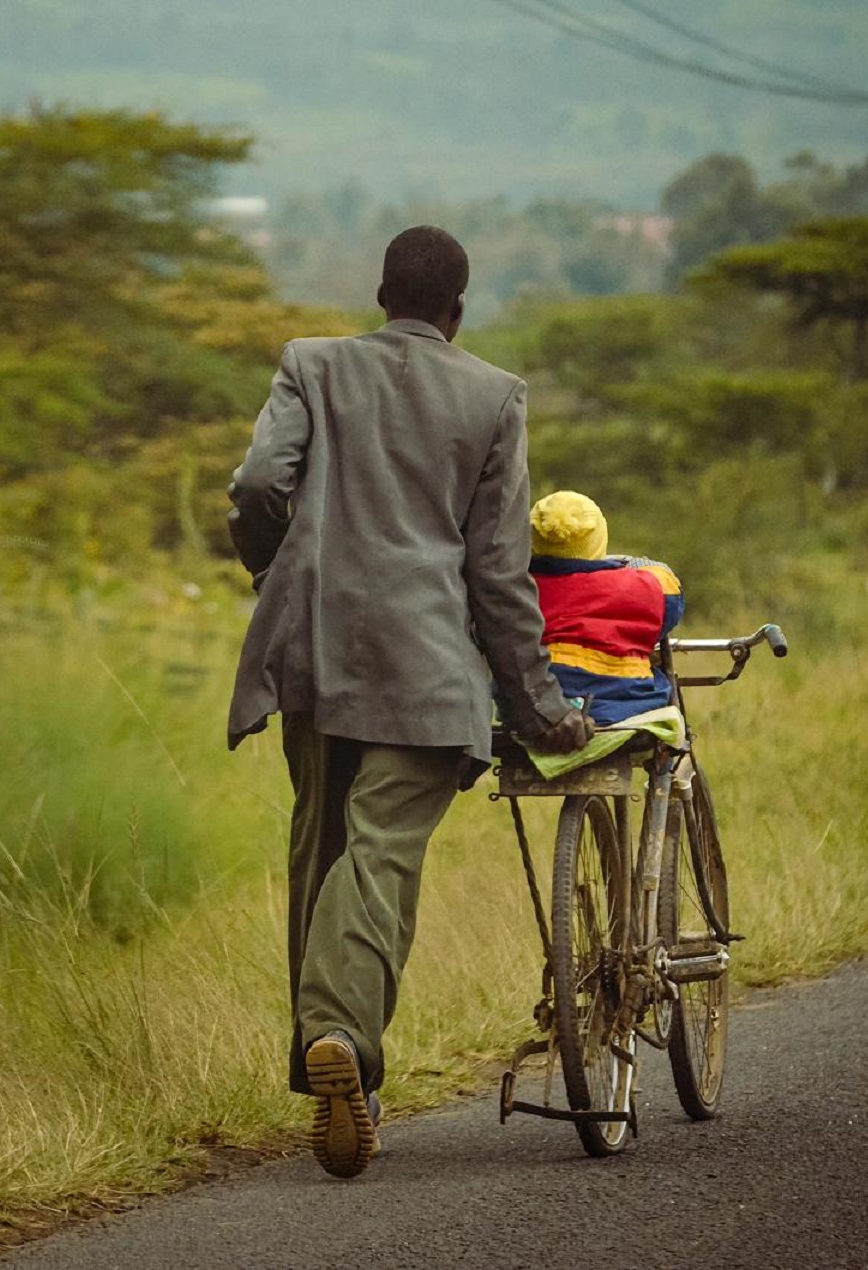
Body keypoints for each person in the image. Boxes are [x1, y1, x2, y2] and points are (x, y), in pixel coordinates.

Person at [226, 225, 593, 1179]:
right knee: (381, 852)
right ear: (456, 311)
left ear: (381, 295)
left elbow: (261, 482)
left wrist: (279, 569)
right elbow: (499, 573)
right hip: (428, 670)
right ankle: (344, 1040)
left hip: (312, 648)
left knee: (322, 848)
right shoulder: (491, 396)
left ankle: (334, 1062)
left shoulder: (312, 364)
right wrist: (540, 704)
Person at [527, 490, 684, 725]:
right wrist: (631, 563)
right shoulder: (640, 587)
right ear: (599, 540)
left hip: (534, 711)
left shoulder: (519, 589)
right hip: (627, 707)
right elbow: (671, 592)